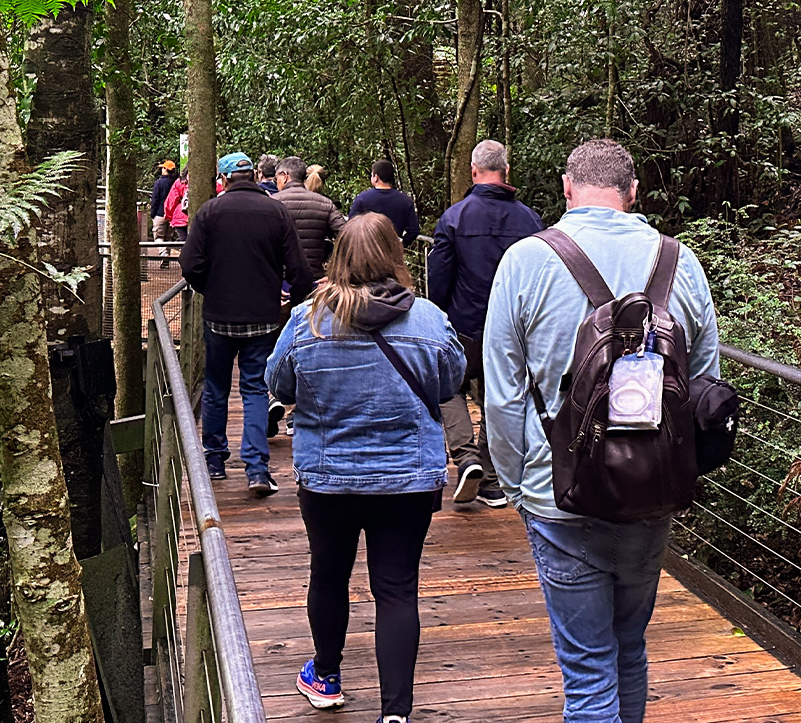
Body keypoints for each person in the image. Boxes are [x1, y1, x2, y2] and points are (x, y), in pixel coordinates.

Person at [483, 138, 721, 723]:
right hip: (650, 492)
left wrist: (519, 488)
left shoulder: (526, 261)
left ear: (566, 188)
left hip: (558, 494)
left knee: (588, 668)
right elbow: (705, 389)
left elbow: (502, 392)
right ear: (633, 191)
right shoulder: (679, 261)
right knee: (630, 649)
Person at [268, 212, 464, 723]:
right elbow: (449, 383)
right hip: (408, 477)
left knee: (328, 573)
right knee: (396, 588)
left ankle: (326, 676)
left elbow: (279, 385)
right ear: (394, 258)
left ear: (339, 259)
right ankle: (395, 713)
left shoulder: (307, 319)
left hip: (329, 476)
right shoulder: (428, 318)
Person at [179, 151, 314, 496]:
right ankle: (256, 468)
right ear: (254, 175)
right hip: (263, 318)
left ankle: (214, 460)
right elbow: (299, 270)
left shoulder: (209, 212)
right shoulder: (275, 211)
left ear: (223, 180)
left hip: (220, 317)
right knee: (254, 388)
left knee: (215, 387)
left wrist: (208, 288)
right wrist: (293, 302)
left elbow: (190, 263)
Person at [427, 139, 542, 508]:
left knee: (447, 387)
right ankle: (492, 481)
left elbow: (439, 278)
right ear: (506, 171)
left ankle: (465, 458)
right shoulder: (531, 220)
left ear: (474, 172)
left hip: (464, 326)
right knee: (501, 397)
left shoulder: (455, 217)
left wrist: (438, 318)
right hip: (512, 329)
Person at [273, 155, 348, 279]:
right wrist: (336, 274)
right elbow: (349, 236)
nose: (276, 184)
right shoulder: (325, 204)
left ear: (285, 176)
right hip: (315, 280)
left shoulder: (272, 203)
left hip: (282, 280)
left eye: (277, 179)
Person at [348, 159, 420, 245]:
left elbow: (350, 226)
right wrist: (401, 245)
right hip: (392, 251)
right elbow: (414, 230)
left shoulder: (362, 199)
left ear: (376, 178)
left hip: (367, 250)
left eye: (372, 175)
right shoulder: (405, 201)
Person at [150, 160, 180, 267]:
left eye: (163, 168)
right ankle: (165, 259)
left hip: (160, 213)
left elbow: (155, 200)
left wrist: (152, 213)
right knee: (167, 238)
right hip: (172, 214)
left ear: (166, 170)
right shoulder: (176, 182)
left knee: (158, 237)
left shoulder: (159, 183)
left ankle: (164, 254)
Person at [161, 167, 190, 246]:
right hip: (202, 216)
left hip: (181, 216)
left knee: (184, 242)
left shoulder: (180, 182)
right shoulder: (209, 181)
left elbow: (171, 201)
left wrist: (168, 216)